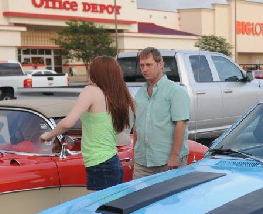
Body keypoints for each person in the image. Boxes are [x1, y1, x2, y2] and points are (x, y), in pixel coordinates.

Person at [40, 56, 135, 191]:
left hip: (100, 165)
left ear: (97, 73)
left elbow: (68, 122)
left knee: (97, 211)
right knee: (107, 210)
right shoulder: (113, 95)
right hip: (112, 163)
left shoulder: (90, 91)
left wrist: (48, 135)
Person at [132, 47, 190, 179]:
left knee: (171, 199)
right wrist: (135, 155)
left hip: (167, 162)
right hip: (142, 162)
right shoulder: (140, 93)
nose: (145, 69)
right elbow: (137, 126)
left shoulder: (175, 91)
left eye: (149, 65)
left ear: (160, 64)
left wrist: (174, 156)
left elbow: (180, 124)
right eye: (142, 65)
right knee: (140, 199)